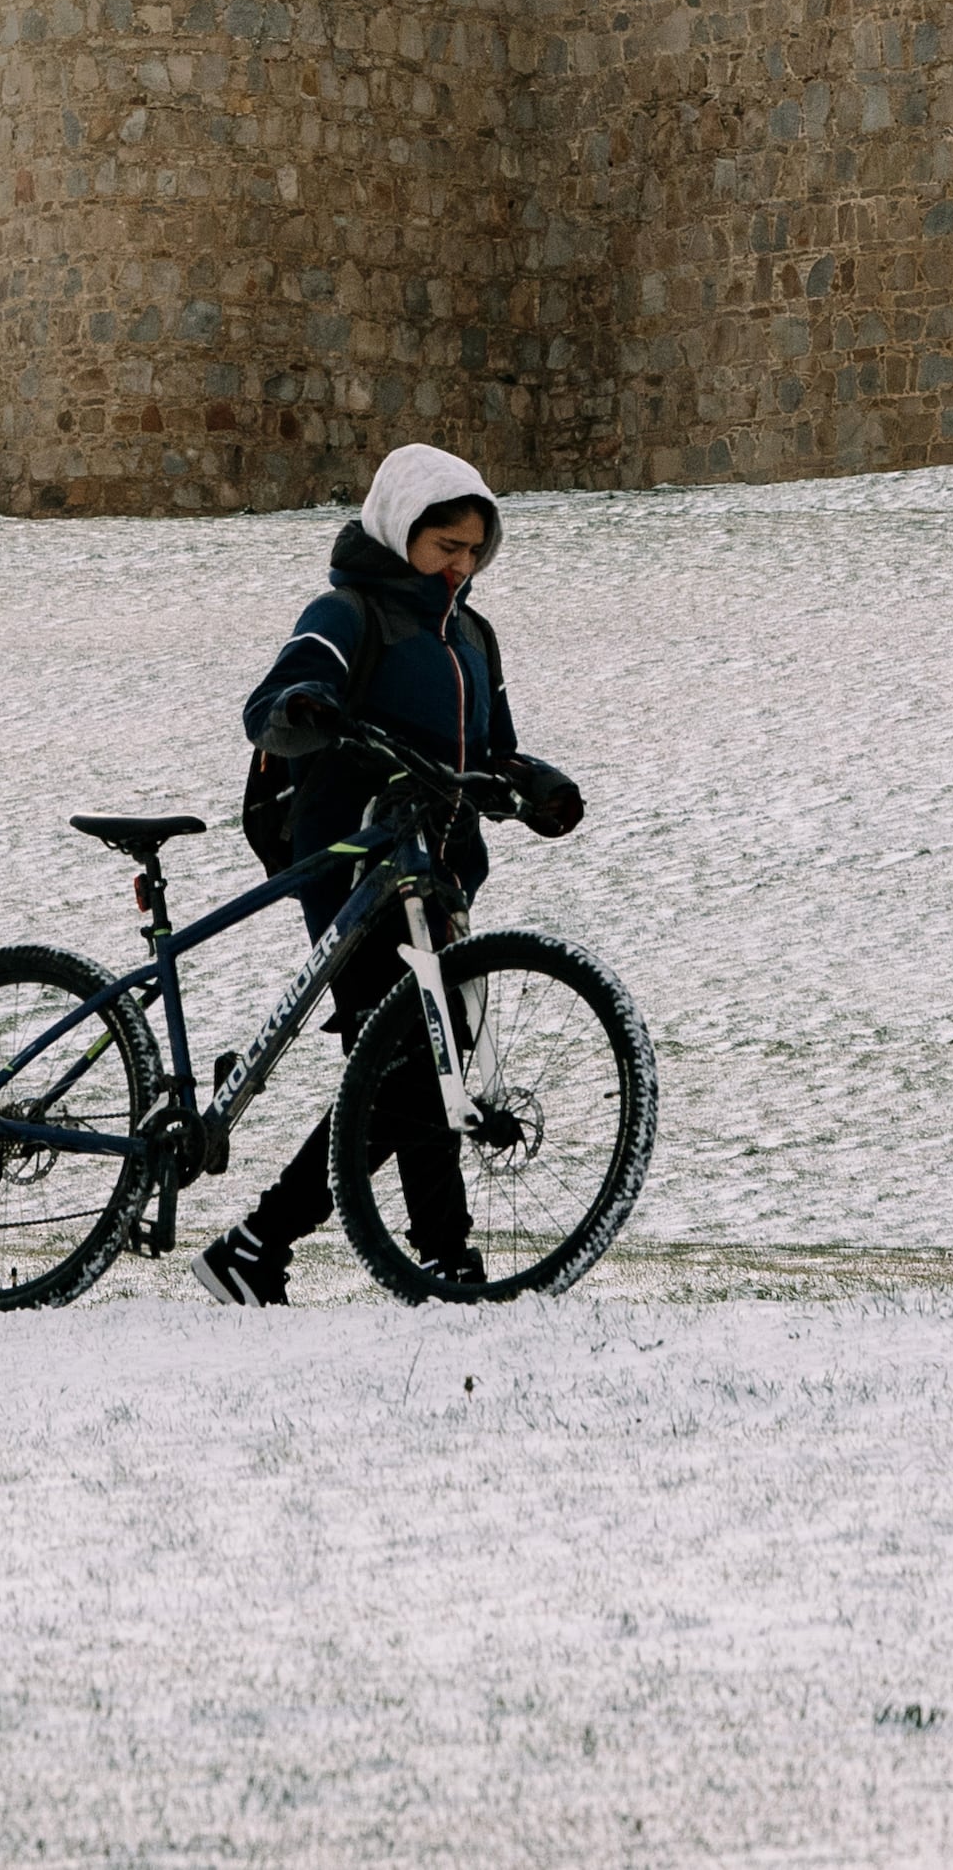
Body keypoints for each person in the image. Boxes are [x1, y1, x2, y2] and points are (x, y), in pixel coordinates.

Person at [196, 441, 584, 1305]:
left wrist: (534, 786)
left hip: (436, 879)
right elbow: (277, 701)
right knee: (407, 1062)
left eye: (475, 550)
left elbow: (494, 754)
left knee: (421, 1064)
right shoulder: (347, 611)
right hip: (354, 869)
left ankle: (283, 1249)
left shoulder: (473, 636)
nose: (461, 564)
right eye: (445, 545)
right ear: (402, 528)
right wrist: (307, 705)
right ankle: (378, 1251)